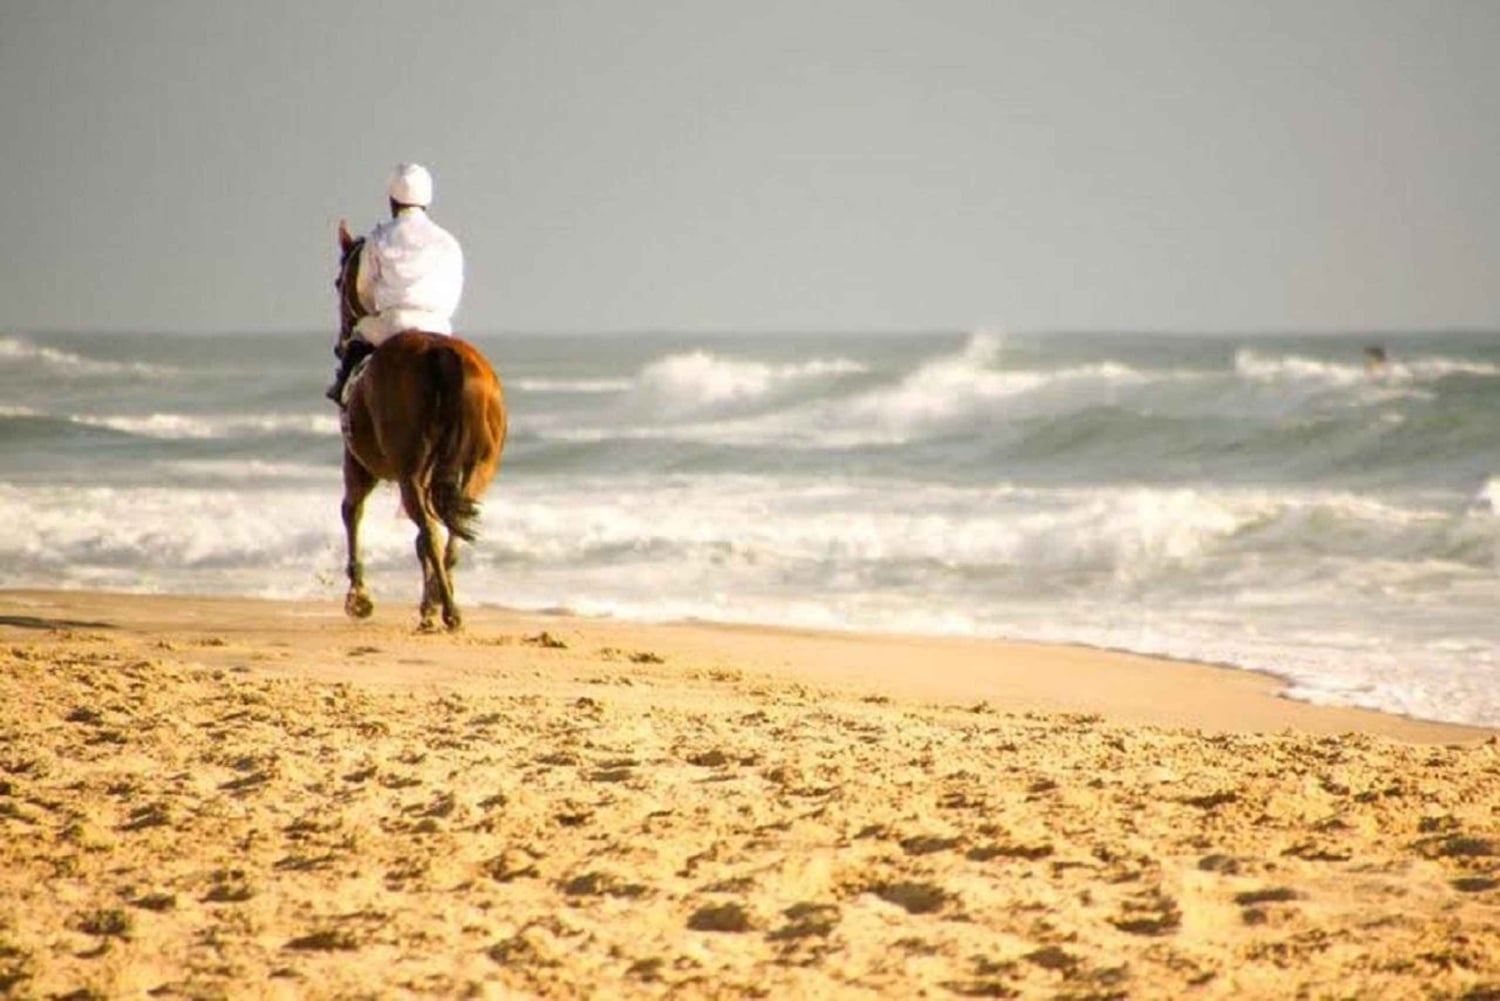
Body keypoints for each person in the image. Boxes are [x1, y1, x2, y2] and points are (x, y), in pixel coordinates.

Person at [326, 162, 465, 402]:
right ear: (427, 199)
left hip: (393, 324)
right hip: (438, 326)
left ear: (392, 200)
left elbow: (363, 290)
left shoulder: (379, 238)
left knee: (358, 337)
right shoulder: (448, 242)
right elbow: (454, 288)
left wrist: (372, 311)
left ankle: (342, 390)